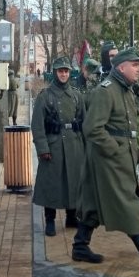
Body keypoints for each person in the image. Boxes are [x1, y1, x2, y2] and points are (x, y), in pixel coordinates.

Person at [72, 46, 139, 271]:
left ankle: (80, 245)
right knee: (128, 204)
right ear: (121, 67)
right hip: (109, 160)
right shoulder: (106, 91)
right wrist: (116, 149)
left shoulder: (126, 90)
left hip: (117, 156)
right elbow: (92, 128)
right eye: (135, 65)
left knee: (92, 204)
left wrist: (132, 149)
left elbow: (127, 127)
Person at [31, 56, 85, 237]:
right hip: (54, 145)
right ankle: (50, 220)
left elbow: (84, 122)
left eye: (66, 71)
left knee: (73, 182)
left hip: (74, 145)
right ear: (55, 72)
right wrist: (43, 148)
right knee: (52, 184)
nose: (63, 74)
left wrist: (85, 147)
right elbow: (37, 126)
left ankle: (71, 216)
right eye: (60, 71)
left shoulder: (77, 95)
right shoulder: (45, 97)